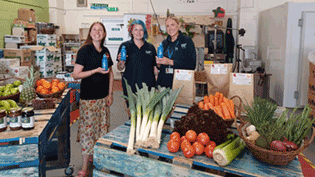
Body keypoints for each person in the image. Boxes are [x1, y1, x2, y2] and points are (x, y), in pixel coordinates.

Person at [73, 21, 114, 177]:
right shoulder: (85, 50)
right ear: (90, 33)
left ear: (103, 34)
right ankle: (84, 167)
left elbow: (110, 73)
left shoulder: (106, 51)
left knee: (102, 129)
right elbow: (76, 74)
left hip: (103, 98)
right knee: (88, 132)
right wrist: (95, 70)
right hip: (89, 98)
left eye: (100, 30)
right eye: (94, 29)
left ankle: (95, 157)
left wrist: (110, 94)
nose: (97, 32)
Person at [117, 19, 158, 96]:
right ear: (131, 31)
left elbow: (155, 68)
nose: (138, 32)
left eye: (141, 30)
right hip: (131, 85)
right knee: (131, 107)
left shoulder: (150, 47)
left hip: (148, 86)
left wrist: (157, 85)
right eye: (135, 30)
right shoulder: (125, 46)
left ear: (144, 31)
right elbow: (120, 68)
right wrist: (121, 62)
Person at [156, 16, 196, 88]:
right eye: (167, 26)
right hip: (164, 84)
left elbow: (191, 65)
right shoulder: (164, 43)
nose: (170, 28)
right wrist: (158, 63)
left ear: (178, 25)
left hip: (180, 84)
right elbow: (160, 67)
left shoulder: (187, 41)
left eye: (172, 25)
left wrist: (169, 62)